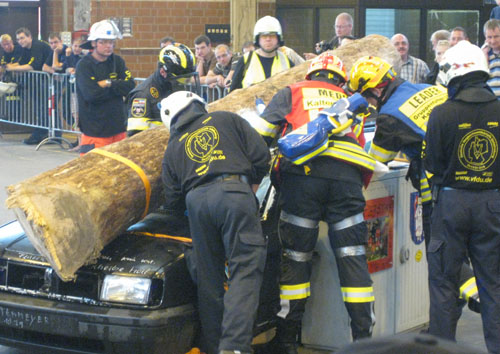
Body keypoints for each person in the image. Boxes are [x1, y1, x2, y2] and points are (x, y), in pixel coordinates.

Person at [258, 53, 376, 353]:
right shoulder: (352, 101)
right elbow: (360, 142)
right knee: (353, 259)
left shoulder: (293, 92)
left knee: (297, 259)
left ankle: (287, 340)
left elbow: (262, 135)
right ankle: (363, 340)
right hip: (347, 183)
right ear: (340, 79)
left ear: (312, 74)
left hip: (303, 181)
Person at [347, 55, 481, 314]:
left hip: (438, 193)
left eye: (368, 98)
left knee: (442, 257)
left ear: (376, 89)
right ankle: (461, 304)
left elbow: (375, 160)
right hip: (474, 182)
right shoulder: (428, 89)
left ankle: (482, 299)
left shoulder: (389, 116)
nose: (370, 105)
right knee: (465, 251)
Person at [160, 91, 270, 354]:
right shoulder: (225, 119)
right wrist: (245, 188)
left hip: (196, 203)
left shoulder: (173, 146)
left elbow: (172, 197)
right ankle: (234, 348)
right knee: (244, 271)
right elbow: (261, 156)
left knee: (209, 282)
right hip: (234, 192)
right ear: (198, 105)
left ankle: (213, 347)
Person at [422, 40, 500, 354]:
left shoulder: (441, 113)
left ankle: (442, 349)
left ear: (453, 75)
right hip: (493, 203)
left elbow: (431, 164)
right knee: (492, 284)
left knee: (443, 283)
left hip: (452, 204)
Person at [76, 19, 134, 155]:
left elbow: (130, 86)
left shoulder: (118, 61)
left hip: (118, 128)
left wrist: (109, 83)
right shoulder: (84, 66)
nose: (108, 46)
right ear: (94, 43)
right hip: (95, 131)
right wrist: (117, 90)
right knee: (93, 171)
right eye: (103, 42)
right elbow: (92, 95)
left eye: (111, 42)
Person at [126, 43, 196, 136]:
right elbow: (135, 139)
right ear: (163, 72)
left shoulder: (172, 84)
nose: (182, 84)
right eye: (179, 81)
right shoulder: (142, 95)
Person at [7, 27, 52, 145]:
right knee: (40, 108)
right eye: (18, 39)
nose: (20, 41)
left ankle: (46, 134)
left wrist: (13, 68)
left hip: (50, 81)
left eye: (22, 38)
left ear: (30, 37)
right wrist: (8, 67)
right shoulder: (24, 49)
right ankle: (42, 132)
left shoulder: (37, 46)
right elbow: (21, 63)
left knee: (46, 108)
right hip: (38, 82)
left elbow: (32, 66)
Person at [230, 16, 292, 91]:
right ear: (258, 39)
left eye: (272, 36)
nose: (268, 39)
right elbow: (232, 92)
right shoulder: (246, 60)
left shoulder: (286, 61)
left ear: (278, 39)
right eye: (264, 36)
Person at [483, 19, 500, 98]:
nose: (493, 41)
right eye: (489, 37)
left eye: (496, 36)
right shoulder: (484, 54)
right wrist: (484, 57)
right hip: (490, 101)